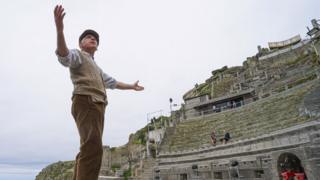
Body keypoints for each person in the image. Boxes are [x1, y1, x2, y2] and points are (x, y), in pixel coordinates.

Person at [53, 5, 144, 180]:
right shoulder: (79, 56)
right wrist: (59, 30)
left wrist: (132, 87)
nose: (92, 38)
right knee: (94, 147)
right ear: (81, 44)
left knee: (88, 146)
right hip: (86, 100)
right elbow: (64, 56)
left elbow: (113, 83)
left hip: (97, 105)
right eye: (88, 37)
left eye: (95, 38)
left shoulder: (97, 67)